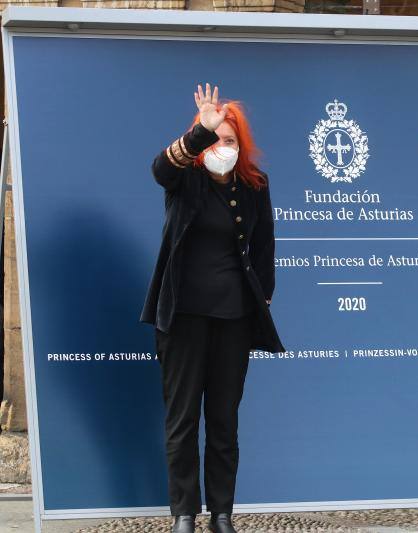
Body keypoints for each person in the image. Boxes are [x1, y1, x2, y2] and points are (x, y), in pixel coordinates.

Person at [141, 84, 284, 533]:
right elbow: (161, 168)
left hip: (234, 321)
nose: (222, 147)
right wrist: (201, 128)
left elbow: (264, 248)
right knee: (181, 419)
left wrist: (263, 296)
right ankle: (185, 513)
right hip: (182, 318)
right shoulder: (185, 180)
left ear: (240, 145)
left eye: (229, 139)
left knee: (224, 421)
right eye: (215, 138)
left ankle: (222, 513)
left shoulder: (254, 186)